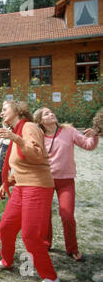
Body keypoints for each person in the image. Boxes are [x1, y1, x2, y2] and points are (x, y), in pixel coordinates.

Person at [0, 101, 59, 282]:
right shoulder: (17, 129)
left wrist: (16, 138)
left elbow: (36, 156)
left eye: (4, 109)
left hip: (37, 187)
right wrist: (8, 183)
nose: (1, 112)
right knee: (6, 227)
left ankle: (51, 277)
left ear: (17, 110)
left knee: (30, 236)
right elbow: (21, 164)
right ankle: (6, 261)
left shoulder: (29, 127)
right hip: (21, 186)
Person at [33, 107, 99, 262]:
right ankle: (46, 243)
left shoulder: (69, 131)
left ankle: (72, 248)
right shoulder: (38, 135)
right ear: (40, 121)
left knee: (67, 216)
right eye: (47, 114)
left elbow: (88, 145)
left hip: (66, 180)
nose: (52, 114)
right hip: (45, 180)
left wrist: (94, 136)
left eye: (51, 112)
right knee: (44, 215)